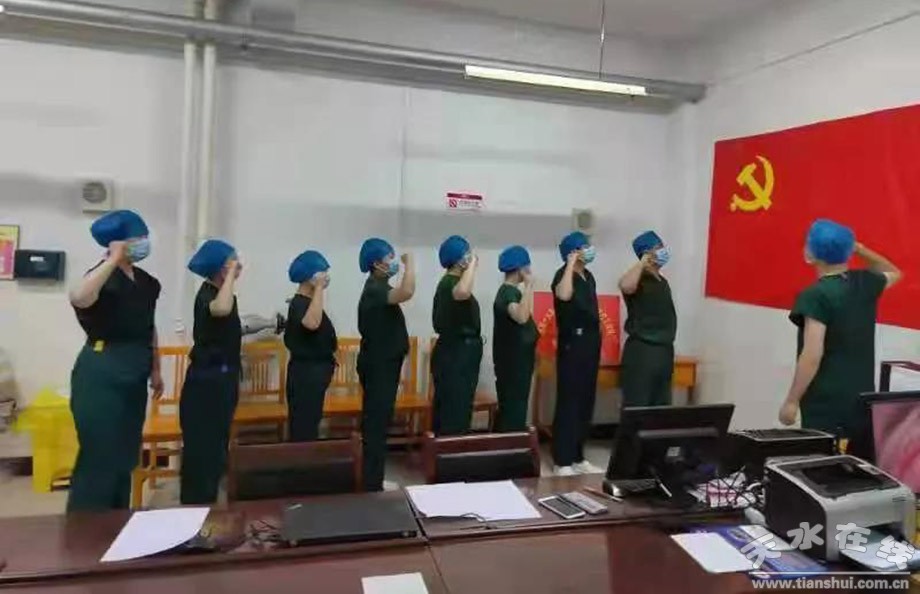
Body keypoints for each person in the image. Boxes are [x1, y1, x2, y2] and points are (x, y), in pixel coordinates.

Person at [67, 210, 162, 512]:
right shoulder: (100, 277)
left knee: (125, 455)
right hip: (102, 372)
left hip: (135, 371)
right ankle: (85, 527)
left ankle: (116, 520)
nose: (144, 243)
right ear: (118, 242)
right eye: (138, 238)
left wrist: (156, 368)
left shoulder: (147, 282)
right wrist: (112, 260)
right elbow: (79, 297)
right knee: (100, 454)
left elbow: (149, 326)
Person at [779, 219, 901, 443]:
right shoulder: (865, 283)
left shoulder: (816, 295)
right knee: (854, 460)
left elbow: (812, 355)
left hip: (826, 403)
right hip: (861, 398)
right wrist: (861, 249)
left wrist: (792, 400)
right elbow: (893, 272)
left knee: (822, 458)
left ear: (811, 255)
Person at [179, 239, 242, 504]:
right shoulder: (208, 294)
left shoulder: (223, 294)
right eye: (233, 261)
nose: (239, 266)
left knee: (217, 445)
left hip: (223, 380)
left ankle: (210, 500)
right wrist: (229, 277)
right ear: (220, 268)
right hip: (206, 382)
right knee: (202, 446)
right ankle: (196, 504)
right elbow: (221, 309)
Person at [357, 238, 415, 491]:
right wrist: (410, 264)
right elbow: (407, 292)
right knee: (376, 425)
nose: (393, 262)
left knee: (379, 423)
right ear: (376, 263)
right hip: (378, 366)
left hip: (385, 364)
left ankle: (374, 478)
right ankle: (371, 483)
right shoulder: (375, 288)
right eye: (389, 258)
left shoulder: (380, 287)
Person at [551, 231, 602, 476]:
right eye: (584, 246)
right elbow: (563, 295)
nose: (589, 249)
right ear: (573, 252)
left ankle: (578, 456)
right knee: (569, 401)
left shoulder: (589, 276)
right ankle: (562, 460)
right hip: (573, 342)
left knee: (586, 400)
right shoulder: (563, 275)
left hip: (591, 342)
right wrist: (570, 265)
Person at [618, 231, 677, 407]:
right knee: (638, 405)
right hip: (643, 351)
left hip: (664, 351)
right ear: (646, 253)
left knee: (661, 406)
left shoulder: (662, 282)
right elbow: (625, 286)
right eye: (658, 247)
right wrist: (643, 263)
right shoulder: (638, 279)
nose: (663, 250)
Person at [284, 250, 337, 441]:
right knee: (304, 426)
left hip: (314, 374)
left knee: (310, 422)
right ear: (311, 276)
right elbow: (312, 323)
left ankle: (307, 456)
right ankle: (302, 459)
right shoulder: (300, 303)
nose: (326, 277)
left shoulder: (306, 302)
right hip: (305, 375)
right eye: (323, 273)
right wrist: (320, 288)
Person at [431, 235, 481, 435]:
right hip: (455, 355)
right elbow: (462, 293)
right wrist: (472, 265)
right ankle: (449, 450)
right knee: (454, 410)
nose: (470, 256)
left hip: (459, 354)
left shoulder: (452, 282)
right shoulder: (449, 283)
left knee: (458, 407)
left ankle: (450, 448)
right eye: (467, 253)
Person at [492, 245, 538, 432]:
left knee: (516, 406)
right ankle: (510, 444)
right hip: (512, 363)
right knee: (513, 408)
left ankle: (512, 440)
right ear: (521, 269)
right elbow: (521, 316)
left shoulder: (513, 292)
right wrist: (529, 286)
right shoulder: (508, 292)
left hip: (518, 361)